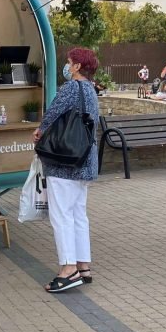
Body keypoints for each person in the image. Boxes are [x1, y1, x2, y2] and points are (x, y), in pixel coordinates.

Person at [32, 47, 99, 293]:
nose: (67, 66)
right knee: (79, 214)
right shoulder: (91, 90)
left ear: (78, 67)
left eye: (69, 62)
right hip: (84, 161)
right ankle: (83, 266)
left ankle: (68, 270)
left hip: (65, 163)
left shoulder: (72, 88)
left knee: (61, 216)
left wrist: (39, 131)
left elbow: (52, 113)